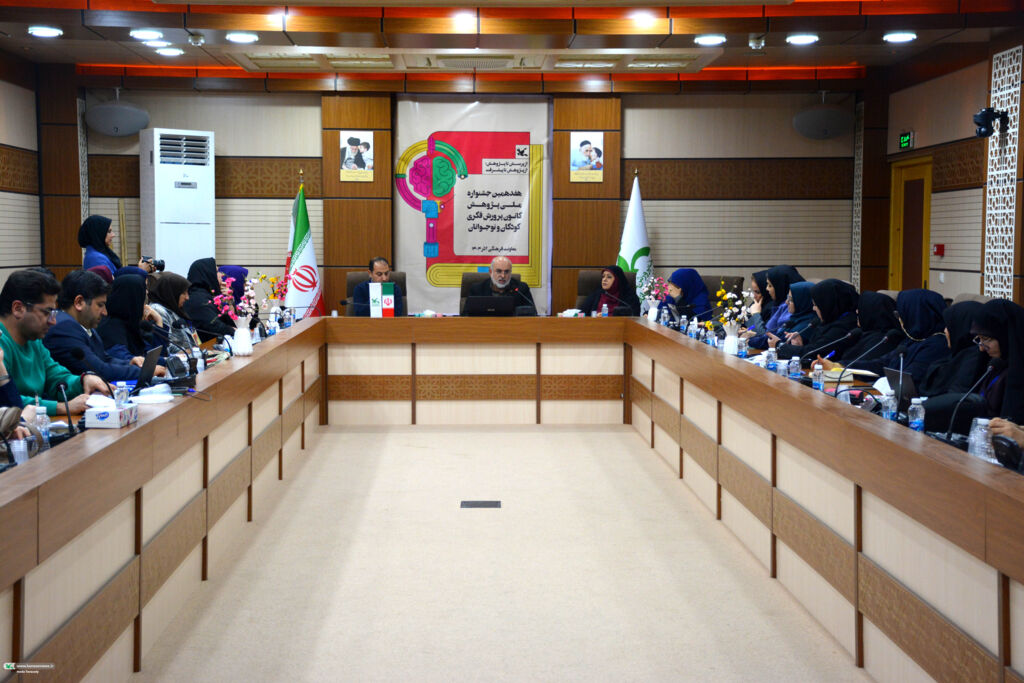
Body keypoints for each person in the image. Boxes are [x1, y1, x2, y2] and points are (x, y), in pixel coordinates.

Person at [0, 269, 109, 415]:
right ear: (18, 309)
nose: (53, 321)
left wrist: (82, 381)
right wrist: (61, 407)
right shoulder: (2, 342)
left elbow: (55, 377)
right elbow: (6, 401)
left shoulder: (33, 340)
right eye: (47, 312)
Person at [44, 270, 161, 382]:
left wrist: (130, 362)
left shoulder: (84, 326)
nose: (105, 312)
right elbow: (99, 370)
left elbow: (105, 358)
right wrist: (146, 372)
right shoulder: (64, 327)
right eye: (100, 305)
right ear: (79, 302)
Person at [820, 289, 949, 386]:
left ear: (917, 314)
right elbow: (882, 364)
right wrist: (839, 366)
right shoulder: (913, 339)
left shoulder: (938, 345)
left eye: (901, 313)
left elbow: (908, 379)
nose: (899, 318)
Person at [917, 300, 987, 397]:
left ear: (963, 327)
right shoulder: (957, 354)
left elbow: (955, 397)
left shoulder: (974, 361)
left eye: (950, 326)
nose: (945, 330)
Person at [97, 274, 167, 366]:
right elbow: (128, 362)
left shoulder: (131, 324)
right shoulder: (110, 328)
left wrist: (159, 320)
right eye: (143, 290)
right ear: (133, 299)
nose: (147, 292)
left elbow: (152, 355)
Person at [746, 265, 804, 349]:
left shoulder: (783, 308)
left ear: (780, 286)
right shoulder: (775, 304)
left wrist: (756, 314)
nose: (767, 289)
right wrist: (746, 330)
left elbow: (765, 334)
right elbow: (753, 327)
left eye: (770, 285)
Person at [836, 291, 902, 363]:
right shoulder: (861, 334)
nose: (857, 311)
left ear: (873, 311)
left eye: (862, 307)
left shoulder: (883, 341)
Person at [184, 258, 237, 342]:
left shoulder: (208, 295)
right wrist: (237, 332)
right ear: (207, 274)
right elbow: (216, 326)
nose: (221, 275)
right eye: (216, 271)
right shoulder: (198, 299)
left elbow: (232, 320)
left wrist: (228, 301)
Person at [148, 272, 196, 351]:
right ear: (171, 293)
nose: (187, 297)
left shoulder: (174, 307)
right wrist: (191, 352)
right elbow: (168, 346)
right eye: (184, 293)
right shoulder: (158, 310)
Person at [467, 256, 535, 310]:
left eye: (506, 272)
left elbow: (532, 314)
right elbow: (465, 316)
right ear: (490, 272)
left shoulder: (521, 289)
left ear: (510, 273)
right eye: (499, 271)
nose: (503, 276)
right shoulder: (477, 290)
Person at [743, 270, 773, 336]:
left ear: (765, 291)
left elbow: (762, 333)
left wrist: (756, 314)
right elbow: (751, 326)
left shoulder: (772, 307)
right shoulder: (757, 303)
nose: (754, 296)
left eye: (758, 292)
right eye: (754, 291)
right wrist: (745, 331)